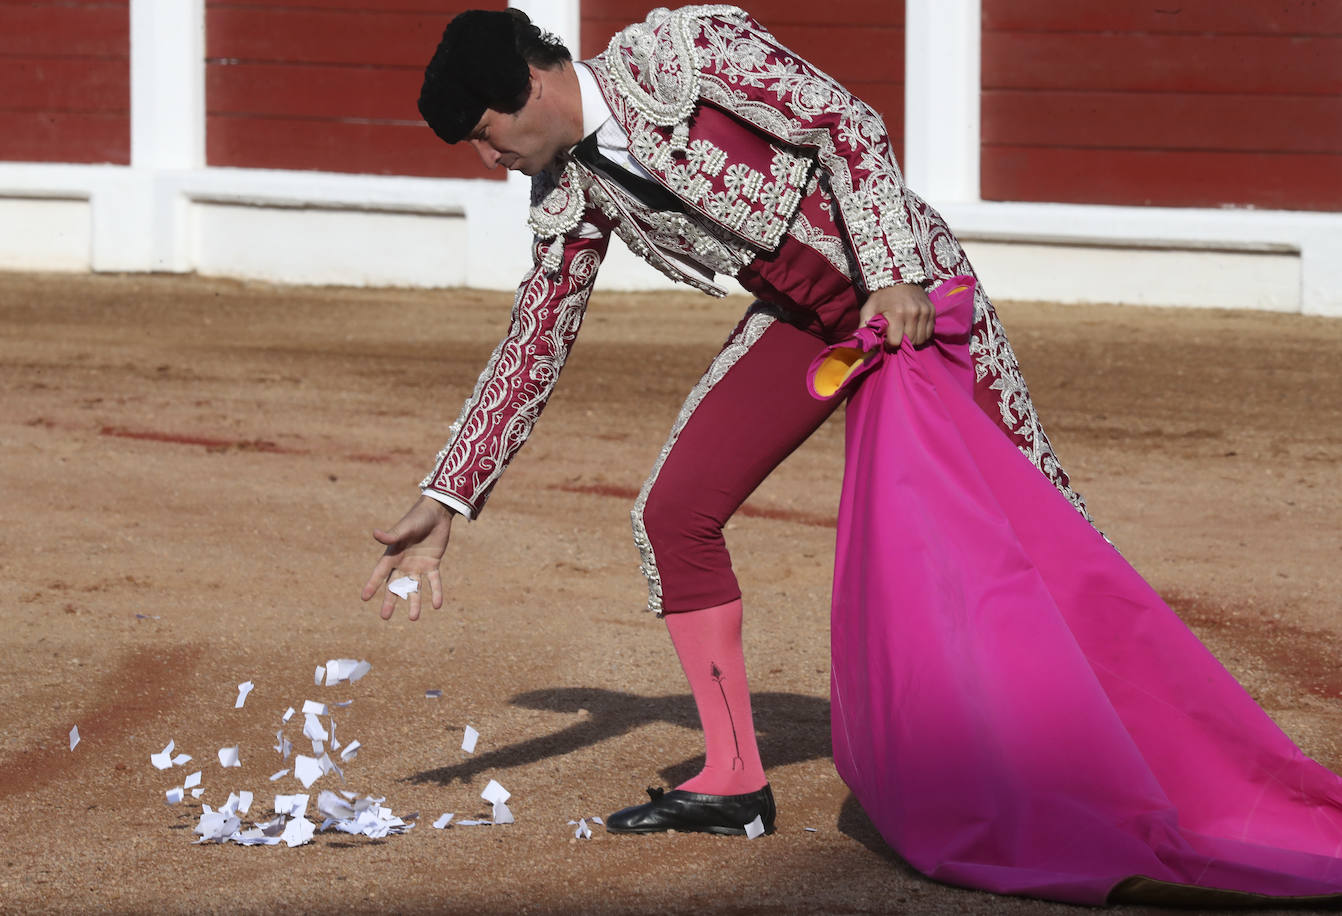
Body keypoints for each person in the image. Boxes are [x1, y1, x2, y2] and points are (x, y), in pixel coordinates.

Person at [362, 5, 1086, 838]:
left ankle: (1110, 728)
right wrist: (450, 493)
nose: (493, 160)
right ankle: (733, 775)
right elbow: (537, 338)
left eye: (489, 136)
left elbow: (843, 123)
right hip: (808, 323)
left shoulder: (684, 52)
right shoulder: (567, 185)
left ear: (529, 84)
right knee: (673, 515)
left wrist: (893, 273)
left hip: (916, 295)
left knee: (1031, 513)